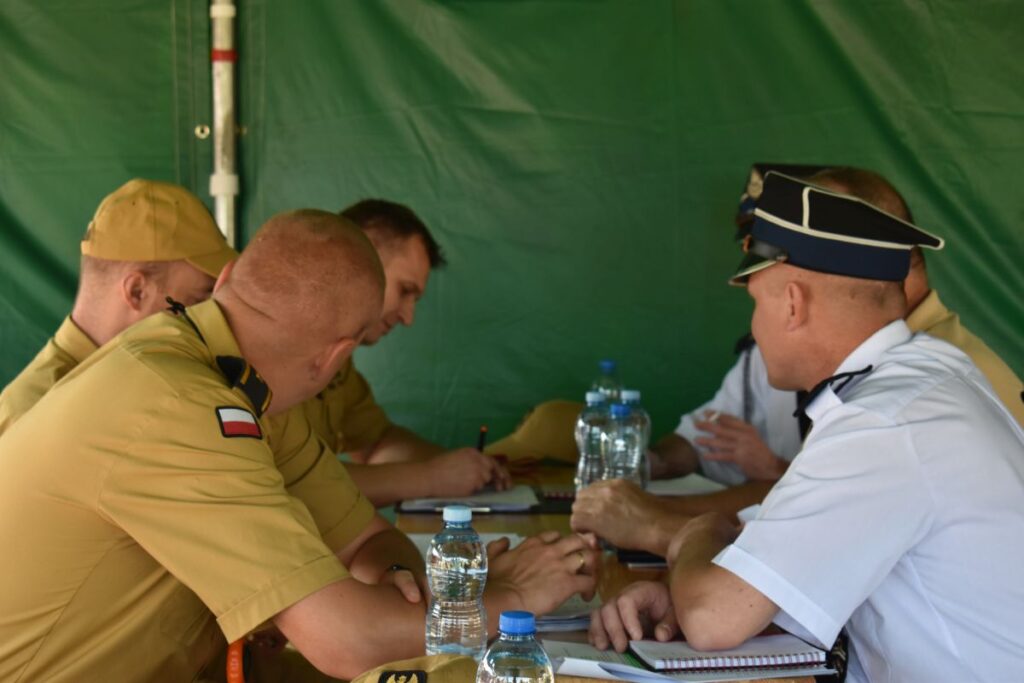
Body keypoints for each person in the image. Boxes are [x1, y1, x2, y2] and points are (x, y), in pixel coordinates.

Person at [0, 210, 597, 682]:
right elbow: (348, 642)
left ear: (229, 280)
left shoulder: (236, 379)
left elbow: (366, 536)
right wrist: (509, 598)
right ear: (336, 357)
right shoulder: (181, 403)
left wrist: (397, 581)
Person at [589, 172, 1024, 682]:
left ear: (792, 303)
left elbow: (714, 617)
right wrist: (684, 585)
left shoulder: (883, 421)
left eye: (756, 303)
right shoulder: (924, 374)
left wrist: (696, 535)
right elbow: (779, 553)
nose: (754, 324)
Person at [288, 199, 510, 506]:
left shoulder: (339, 361)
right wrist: (430, 477)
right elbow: (294, 482)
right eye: (405, 291)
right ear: (358, 260)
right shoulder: (277, 353)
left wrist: (468, 467)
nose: (408, 318)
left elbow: (376, 443)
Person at [0, 178, 238, 436]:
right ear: (137, 291)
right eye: (199, 301)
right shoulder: (27, 415)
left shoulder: (152, 375)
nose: (210, 316)